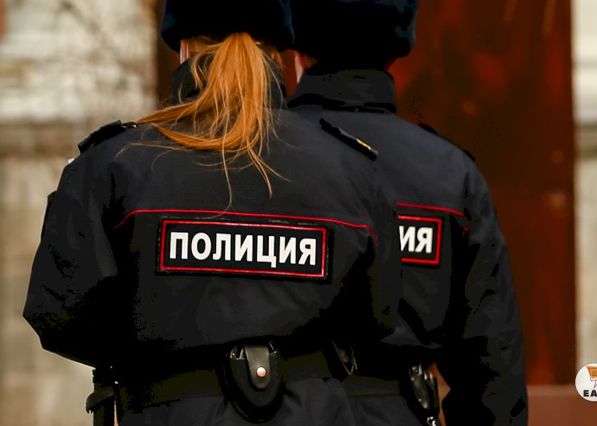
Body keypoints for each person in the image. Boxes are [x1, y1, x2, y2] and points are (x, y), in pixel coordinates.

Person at [22, 1, 401, 425]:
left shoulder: (115, 164)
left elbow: (60, 315)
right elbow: (378, 316)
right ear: (278, 51)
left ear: (184, 46)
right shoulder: (350, 169)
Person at [289, 0, 528, 424]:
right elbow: (493, 380)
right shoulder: (449, 176)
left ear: (297, 48)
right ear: (399, 46)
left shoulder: (255, 163)